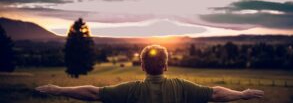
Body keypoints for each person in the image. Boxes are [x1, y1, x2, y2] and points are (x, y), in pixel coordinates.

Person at [36, 45, 264, 103]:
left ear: (142, 66)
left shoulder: (131, 90)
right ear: (166, 66)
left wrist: (58, 89)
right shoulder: (182, 87)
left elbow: (93, 93)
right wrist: (242, 94)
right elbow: (216, 94)